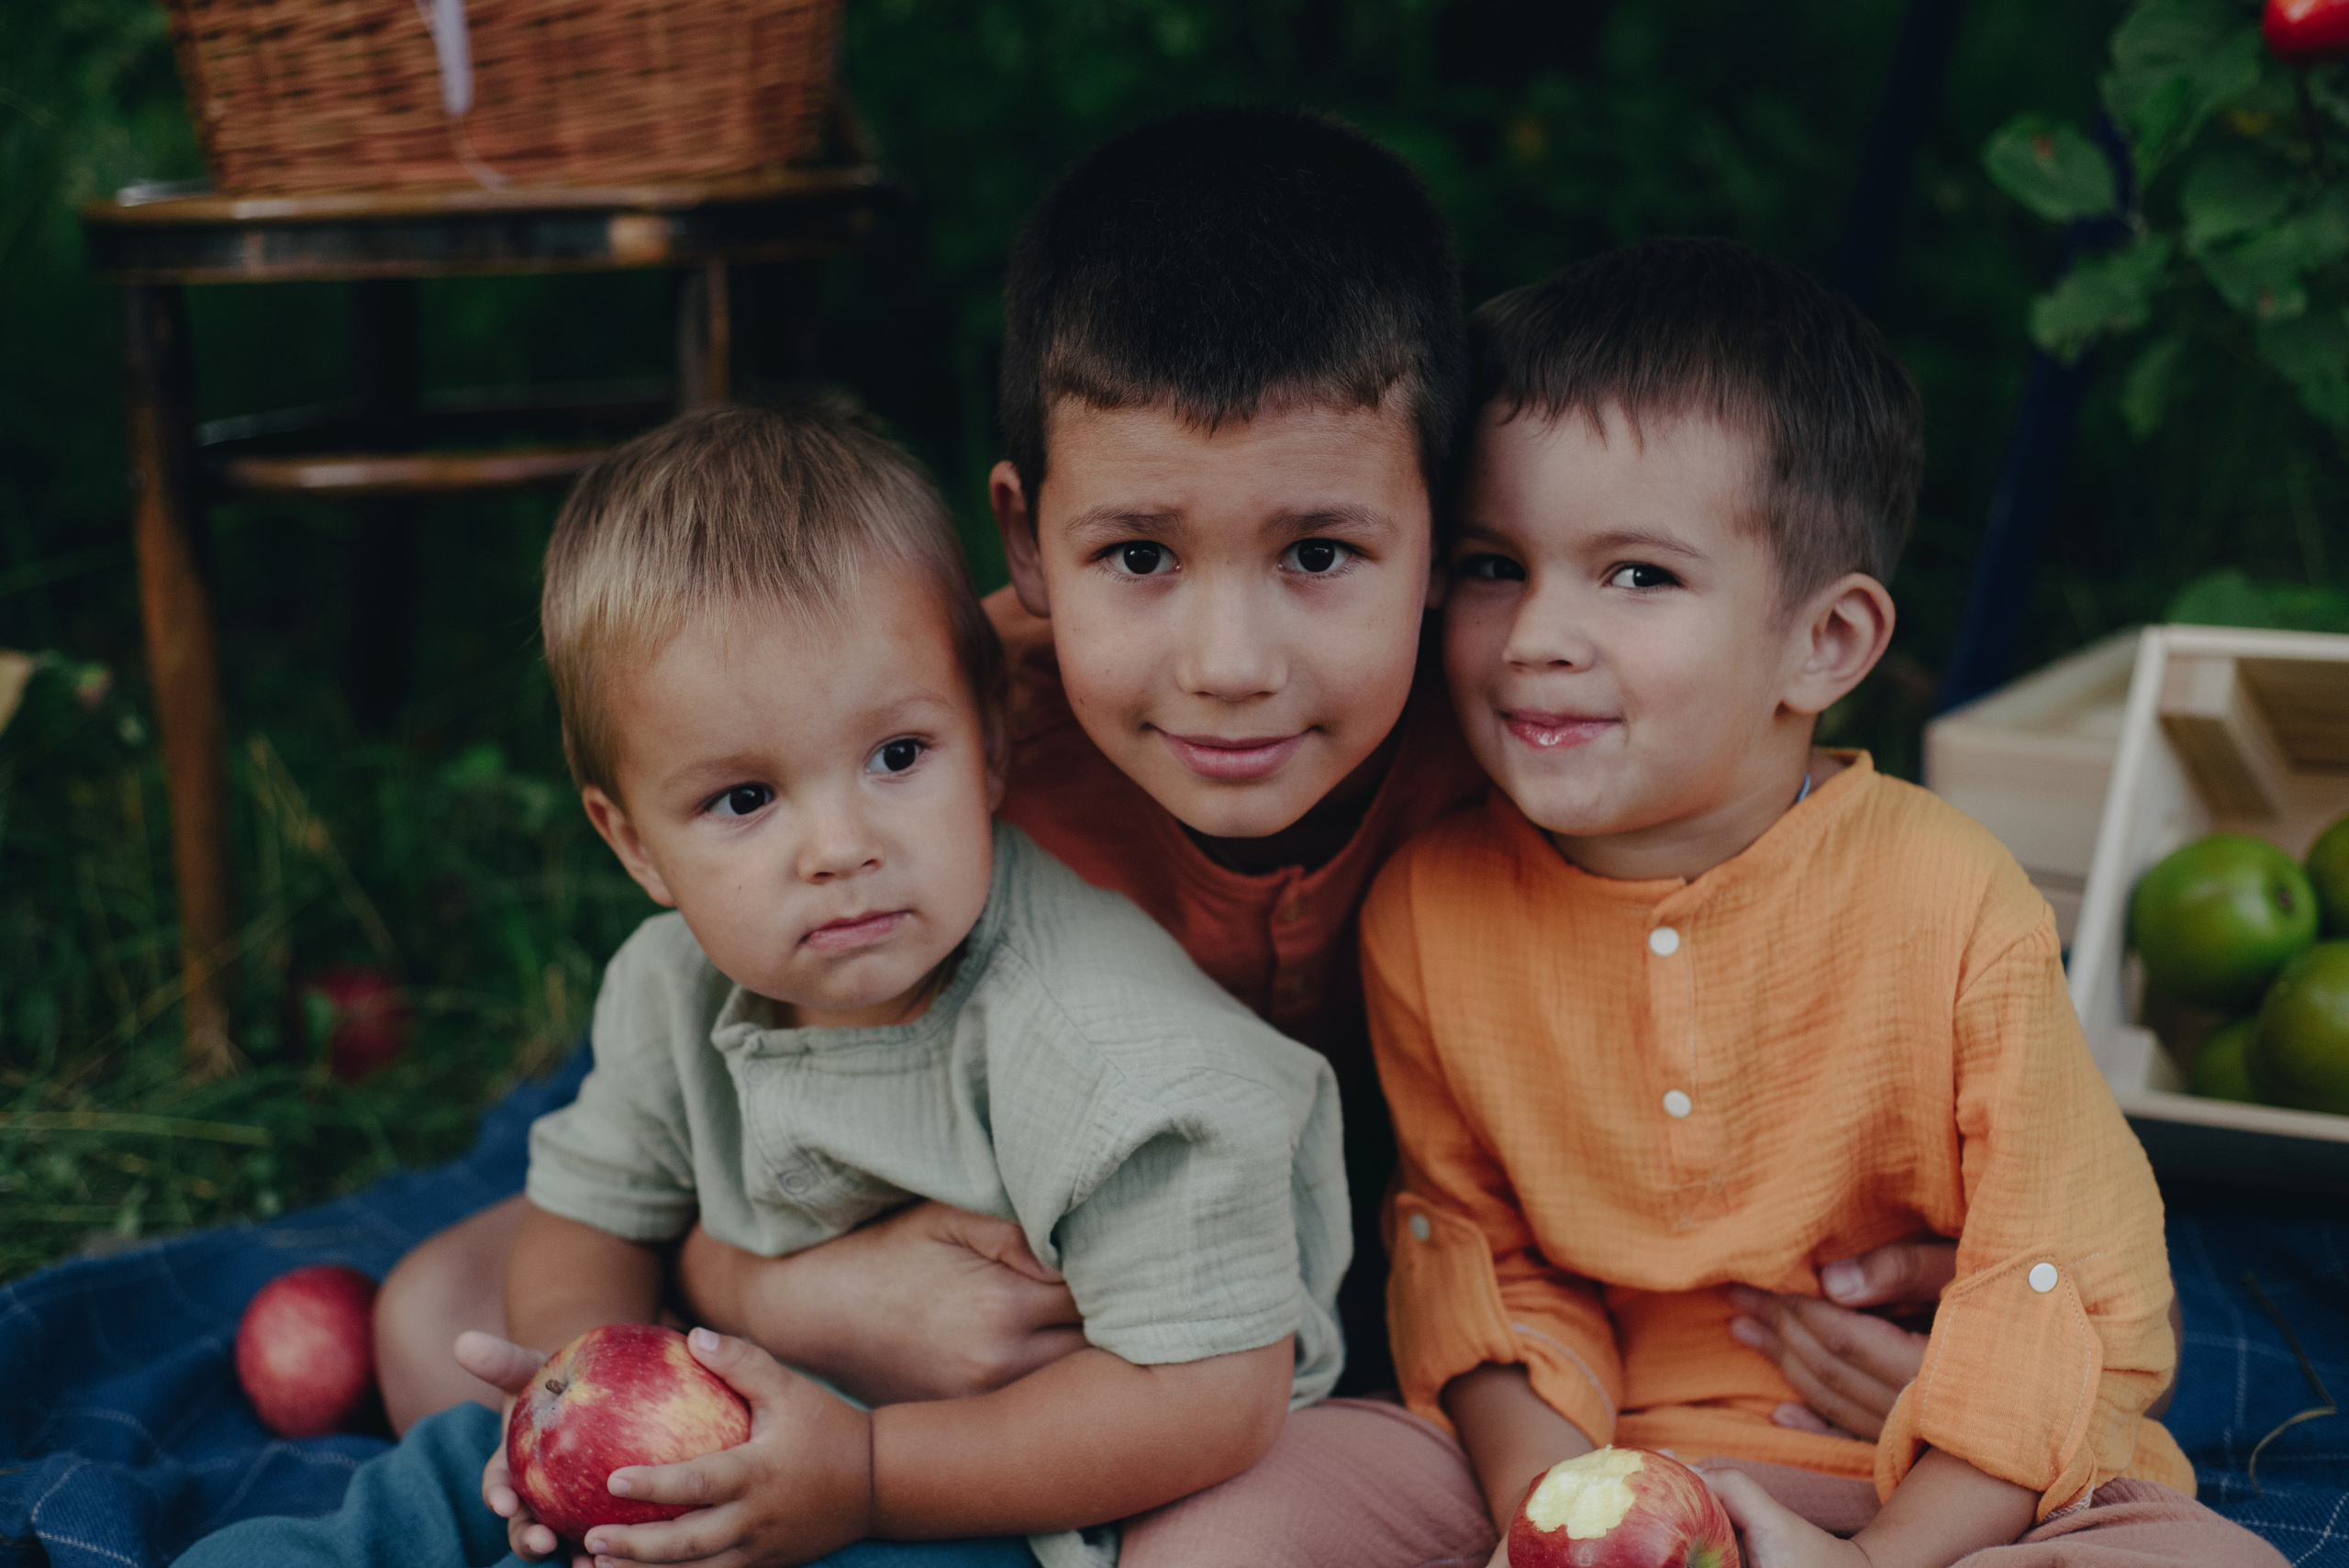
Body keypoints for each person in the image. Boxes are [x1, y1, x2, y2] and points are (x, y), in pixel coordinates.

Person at [373, 108, 1969, 1565]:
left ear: (1442, 533)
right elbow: (732, 1029)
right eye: (1138, 554)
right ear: (1028, 541)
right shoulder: (933, 744)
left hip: (1342, 1314)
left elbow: (1818, 940)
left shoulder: (1526, 740)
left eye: (1322, 552)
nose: (1228, 662)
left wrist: (1900, 1264)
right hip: (972, 1247)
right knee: (437, 1313)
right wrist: (775, 1289)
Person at [193, 402, 1351, 1568]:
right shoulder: (669, 986)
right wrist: (582, 1390)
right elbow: (587, 1219)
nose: (840, 845)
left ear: (992, 740)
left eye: (898, 757)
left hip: (980, 1479)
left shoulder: (1122, 1060)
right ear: (634, 842)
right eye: (745, 799)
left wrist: (866, 1476)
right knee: (417, 1492)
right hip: (734, 1411)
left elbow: (1209, 1397)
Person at [1365, 236, 2279, 1567]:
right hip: (1601, 1444)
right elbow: (1482, 1268)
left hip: (1945, 1466)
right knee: (1257, 1506)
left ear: (1824, 643)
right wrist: (1554, 1510)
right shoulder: (1427, 912)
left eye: (1637, 575)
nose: (1534, 636)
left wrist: (1875, 1556)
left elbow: (2063, 1277)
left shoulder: (1952, 900)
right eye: (1492, 563)